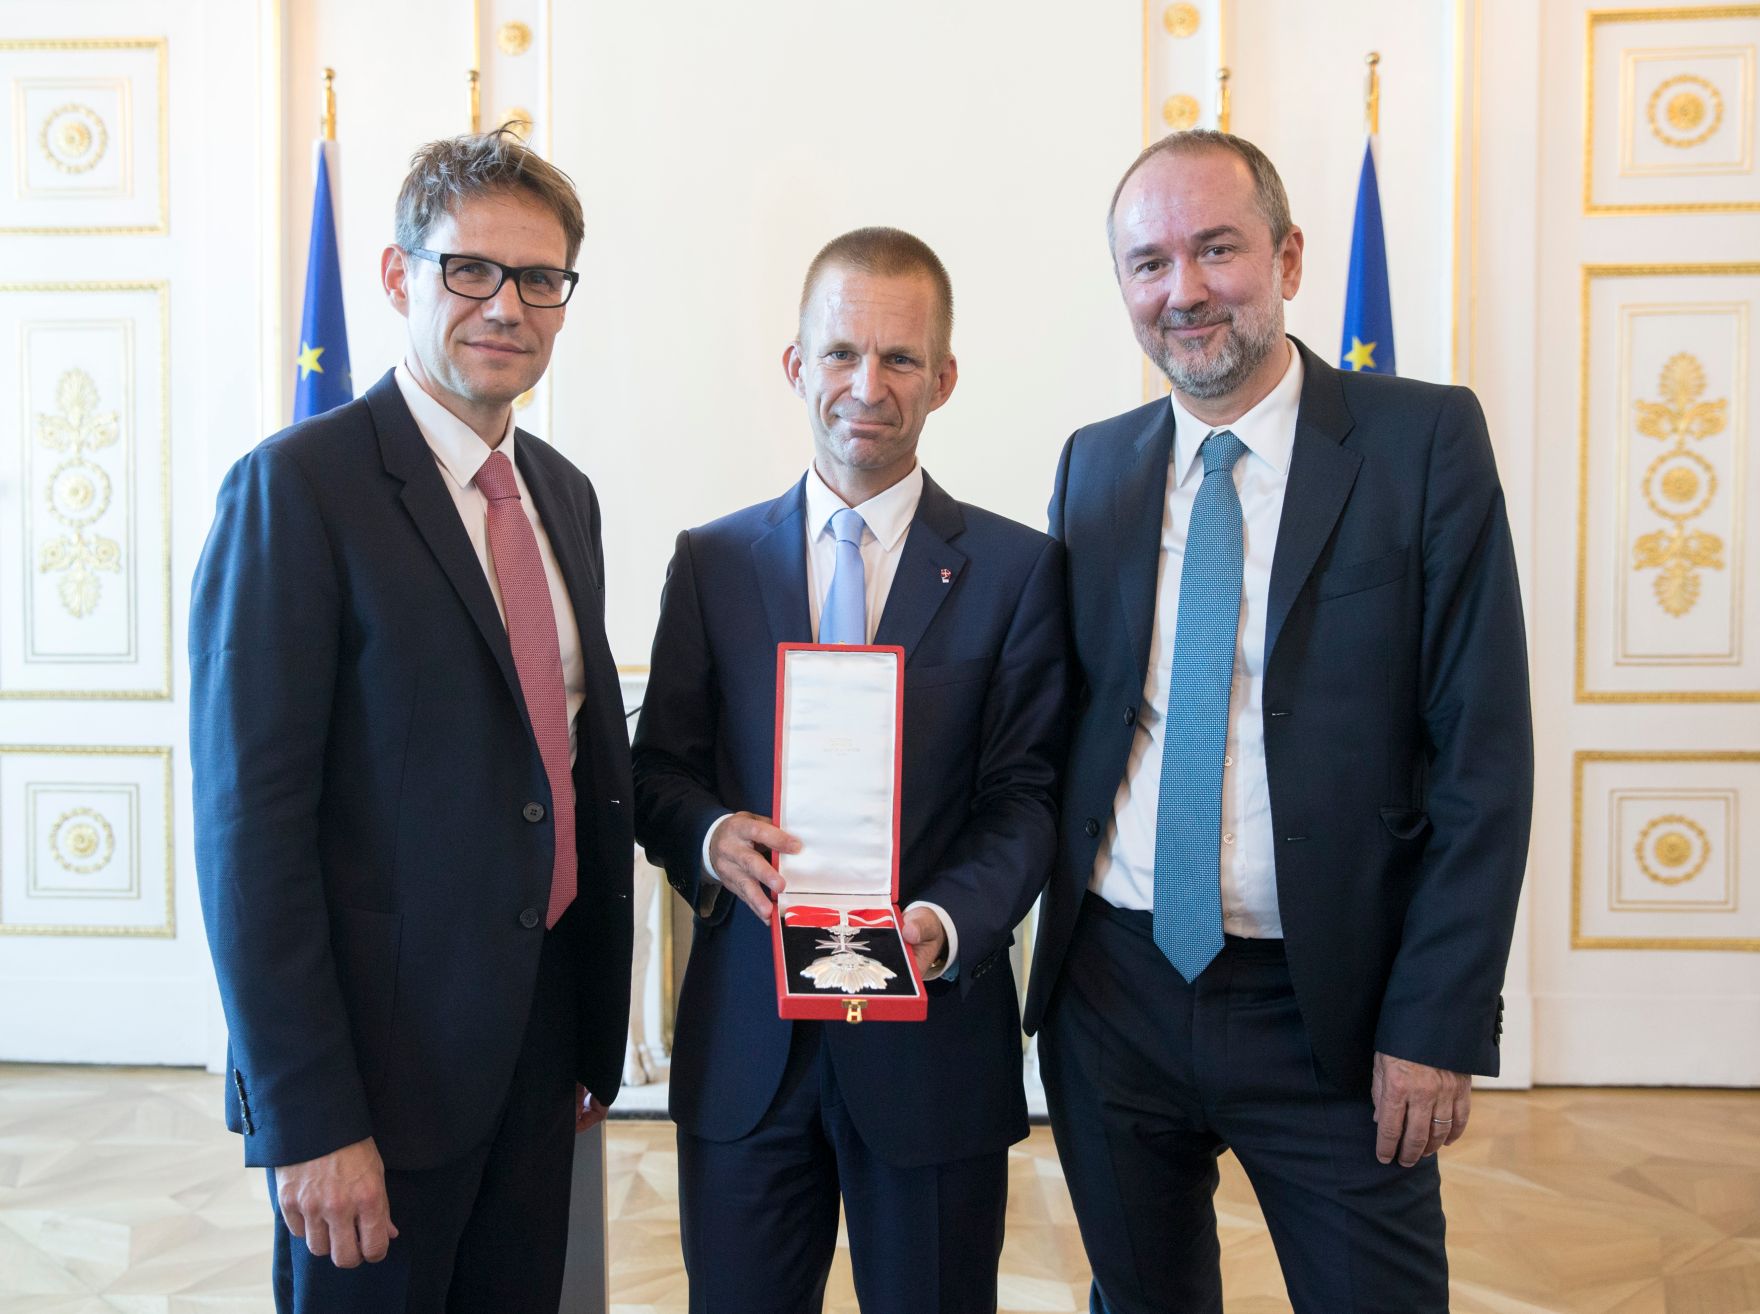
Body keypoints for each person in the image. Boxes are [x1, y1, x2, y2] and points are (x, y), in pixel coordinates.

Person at [1024, 130, 1532, 1314]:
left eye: (1216, 249)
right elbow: (1054, 723)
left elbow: (1481, 757)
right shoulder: (1092, 468)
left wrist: (1434, 1016)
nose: (1183, 290)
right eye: (1147, 263)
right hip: (1115, 991)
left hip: (1336, 1012)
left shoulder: (1420, 444)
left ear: (1288, 257)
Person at [189, 127, 633, 1313]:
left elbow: (569, 769)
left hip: (538, 1052)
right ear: (397, 276)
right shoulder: (296, 490)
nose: (507, 305)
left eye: (541, 279)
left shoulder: (562, 495)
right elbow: (251, 835)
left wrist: (589, 1038)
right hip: (374, 1085)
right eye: (469, 270)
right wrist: (310, 1118)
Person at [633, 226, 1067, 1313]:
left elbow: (1024, 798)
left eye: (900, 359)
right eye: (839, 353)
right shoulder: (712, 564)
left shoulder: (1018, 571)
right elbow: (657, 775)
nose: (866, 385)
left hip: (927, 1046)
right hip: (747, 1050)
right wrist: (707, 835)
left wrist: (947, 922)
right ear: (795, 364)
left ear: (944, 378)